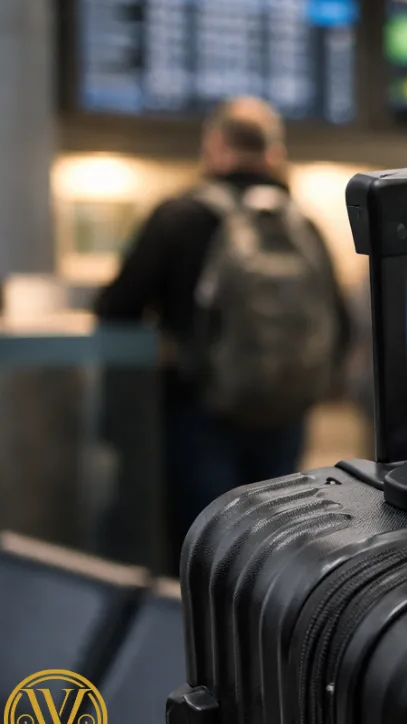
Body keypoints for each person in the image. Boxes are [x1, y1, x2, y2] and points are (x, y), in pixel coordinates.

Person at [94, 96, 349, 575]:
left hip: (199, 410)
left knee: (208, 549)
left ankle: (193, 648)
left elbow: (115, 307)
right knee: (271, 549)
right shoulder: (302, 225)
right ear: (275, 152)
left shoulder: (180, 216)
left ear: (215, 146)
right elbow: (342, 322)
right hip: (285, 410)